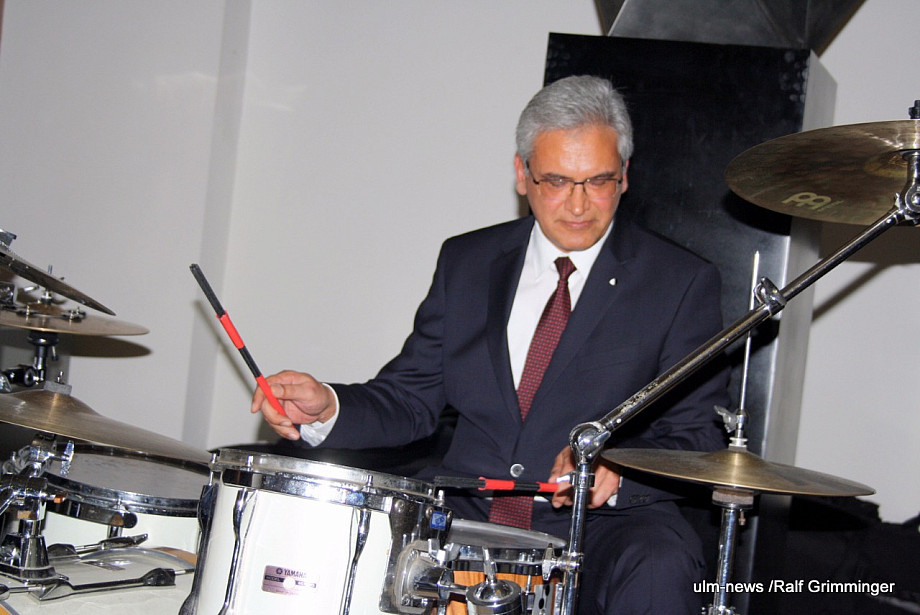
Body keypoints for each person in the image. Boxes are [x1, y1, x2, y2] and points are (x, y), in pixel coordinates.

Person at [252, 75, 730, 614]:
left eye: (598, 181)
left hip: (601, 526)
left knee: (661, 563)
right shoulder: (468, 262)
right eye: (557, 181)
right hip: (466, 512)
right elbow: (410, 399)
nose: (578, 205)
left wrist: (619, 469)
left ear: (624, 177)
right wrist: (328, 406)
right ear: (522, 174)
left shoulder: (679, 281)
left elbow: (697, 435)